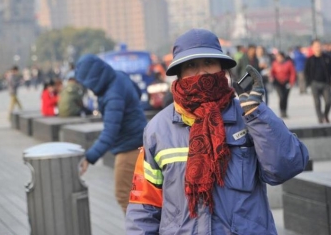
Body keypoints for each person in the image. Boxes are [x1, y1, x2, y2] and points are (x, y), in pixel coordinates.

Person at [125, 28, 309, 234]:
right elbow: (144, 206)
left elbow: (286, 166)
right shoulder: (158, 129)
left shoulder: (248, 115)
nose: (201, 72)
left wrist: (258, 114)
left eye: (208, 63)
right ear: (179, 73)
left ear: (222, 68)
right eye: (191, 65)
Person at [76, 54, 147, 214]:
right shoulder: (119, 76)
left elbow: (110, 132)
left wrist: (89, 157)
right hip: (142, 142)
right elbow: (137, 93)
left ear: (92, 79)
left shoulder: (112, 96)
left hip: (129, 148)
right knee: (141, 197)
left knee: (125, 196)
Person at [305, 39, 331, 124]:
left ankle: (325, 115)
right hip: (314, 83)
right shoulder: (310, 60)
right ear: (312, 48)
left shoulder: (327, 58)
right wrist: (308, 84)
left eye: (319, 46)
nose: (318, 48)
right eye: (316, 46)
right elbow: (306, 72)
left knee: (328, 101)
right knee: (317, 103)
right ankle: (320, 118)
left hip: (326, 83)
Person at [270, 51, 296, 118]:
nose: (279, 59)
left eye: (280, 57)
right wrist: (272, 78)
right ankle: (281, 111)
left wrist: (291, 82)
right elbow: (272, 72)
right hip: (278, 83)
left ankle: (285, 111)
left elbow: (292, 73)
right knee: (281, 97)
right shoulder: (274, 64)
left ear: (283, 57)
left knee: (285, 97)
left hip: (286, 82)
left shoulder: (289, 63)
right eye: (277, 57)